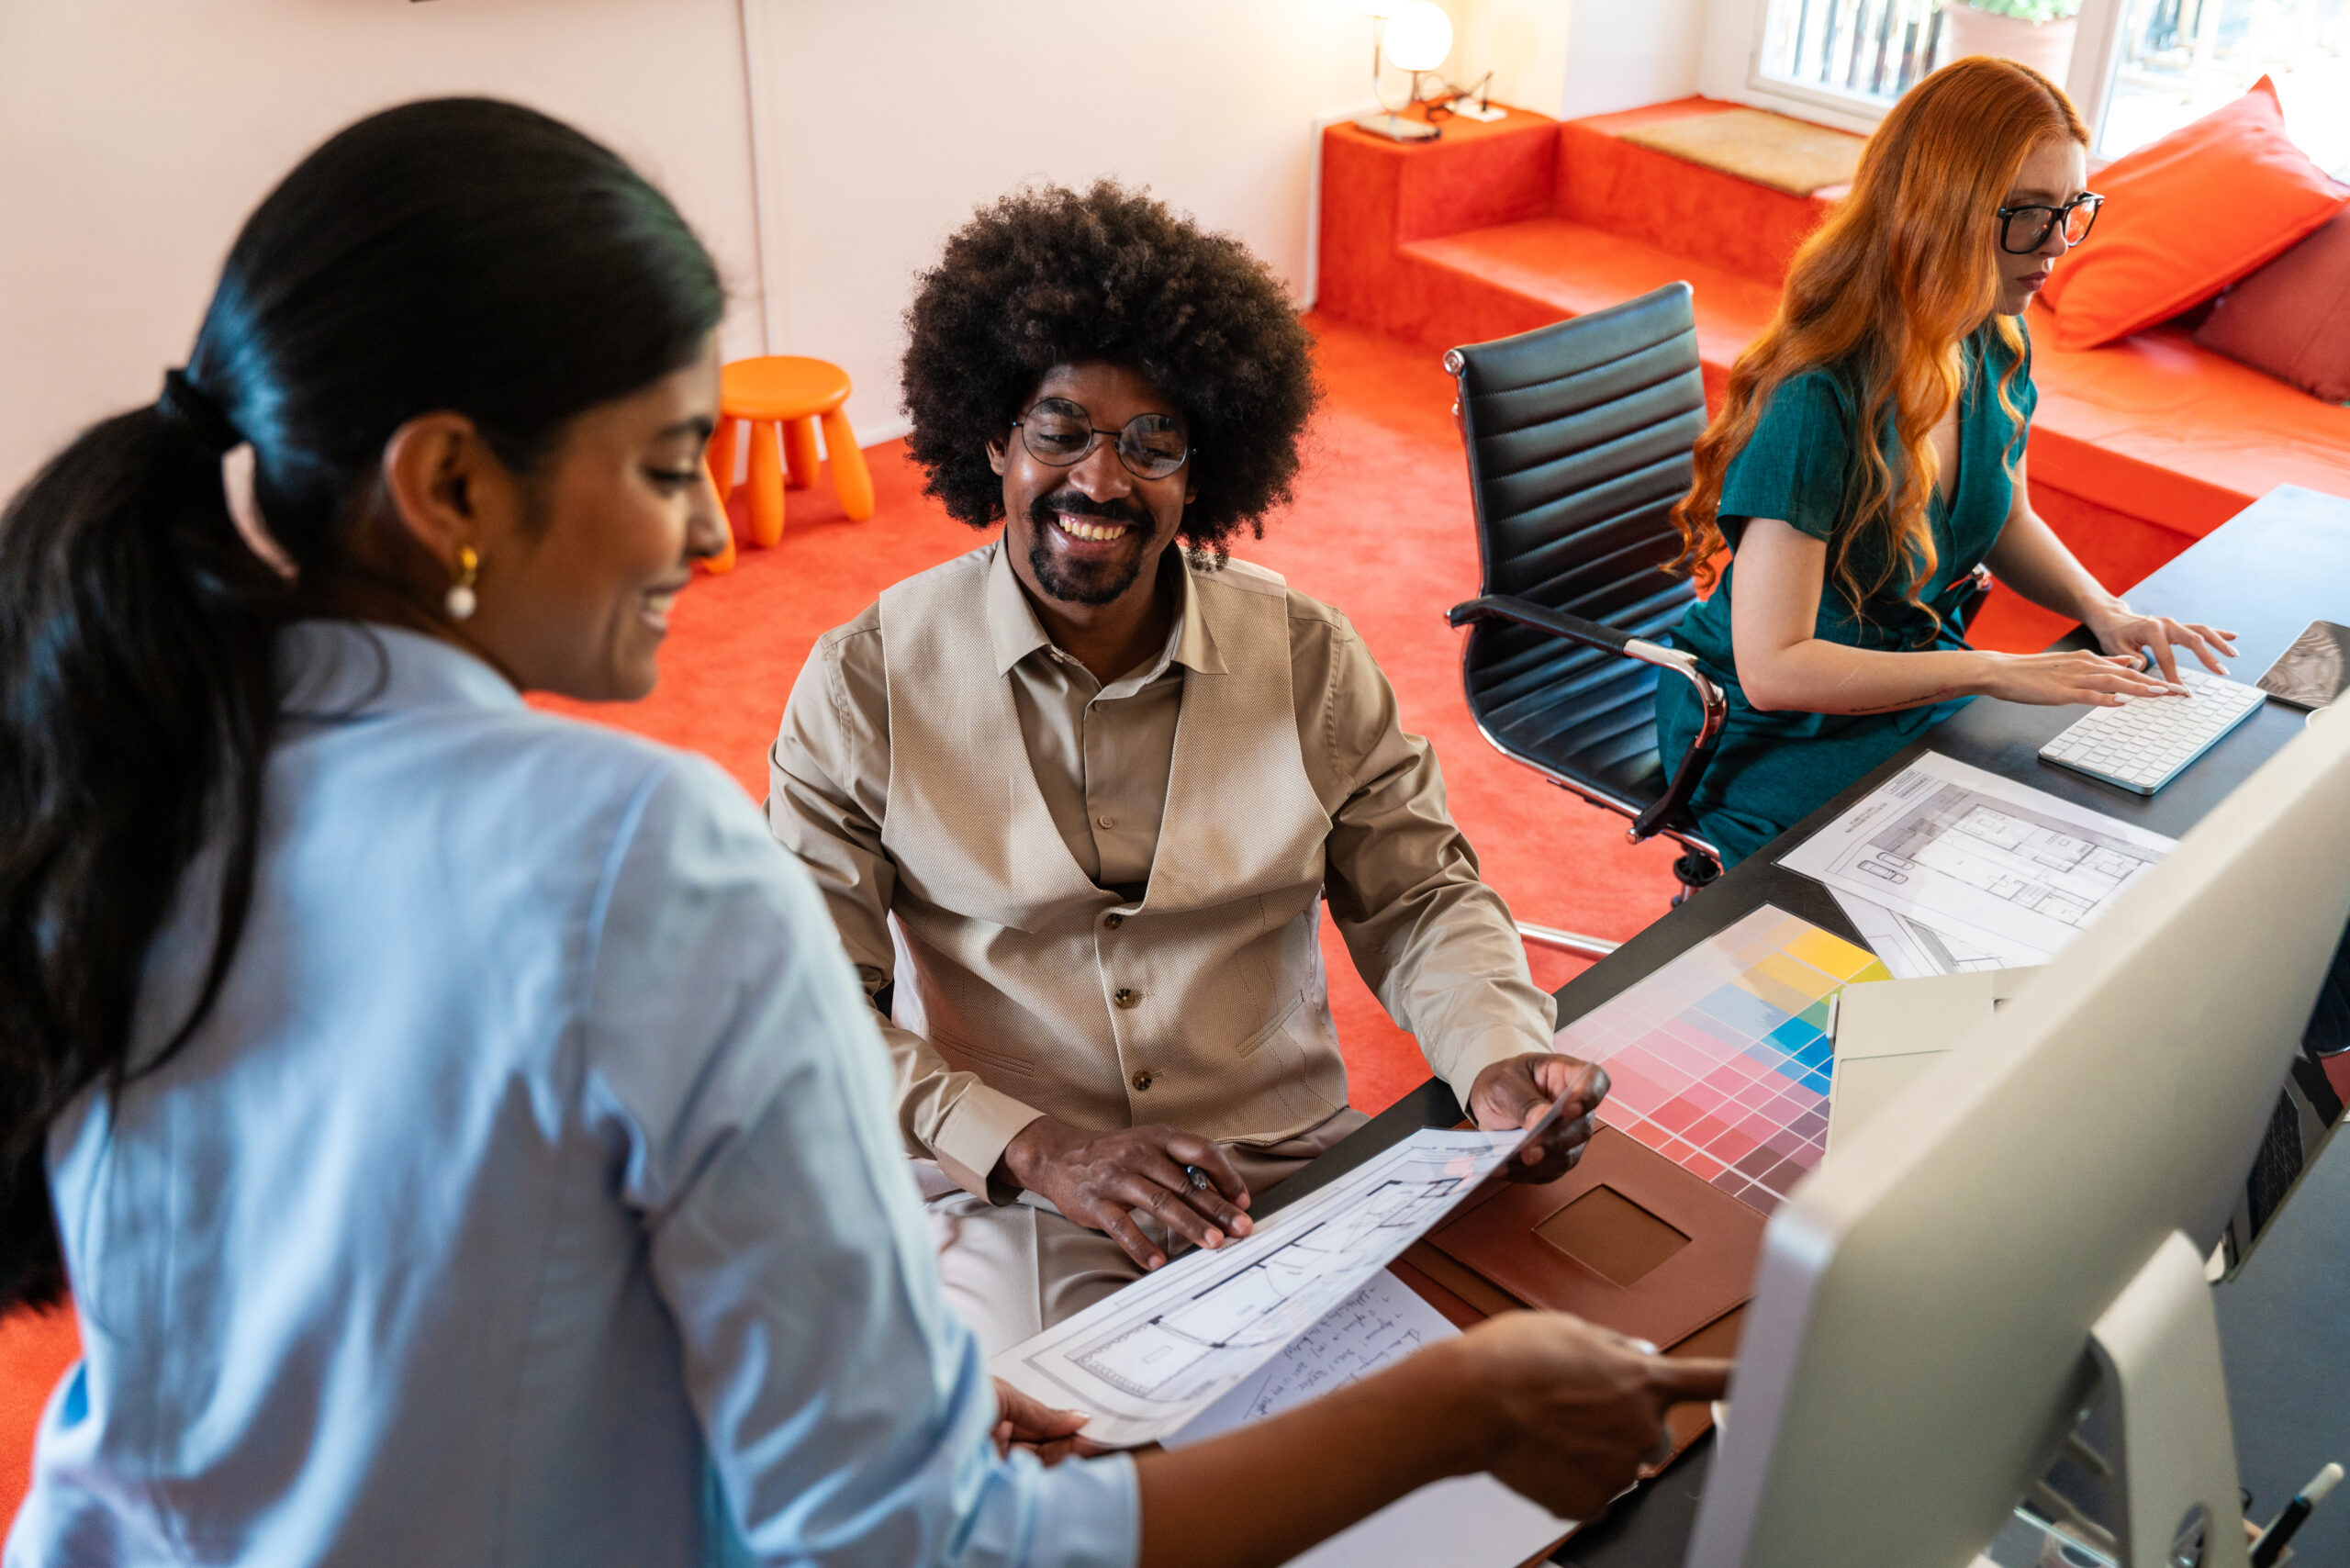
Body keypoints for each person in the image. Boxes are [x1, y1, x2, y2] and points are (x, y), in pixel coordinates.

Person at [0, 100, 1726, 1567]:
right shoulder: (642, 840)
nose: (701, 530)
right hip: (996, 1223)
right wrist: (1449, 1413)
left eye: (1153, 443)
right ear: (453, 486)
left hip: (1281, 1190)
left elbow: (374, 1309)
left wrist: (1493, 1051)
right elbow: (918, 1539)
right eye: (671, 457)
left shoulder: (138, 768)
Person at [771, 182, 1604, 1356]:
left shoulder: (1305, 655)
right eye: (1059, 429)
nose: (1101, 482)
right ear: (993, 442)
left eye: (1150, 441)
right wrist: (1028, 1145)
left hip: (1297, 1158)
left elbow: (1419, 897)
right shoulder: (863, 685)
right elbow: (804, 1006)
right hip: (1022, 1186)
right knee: (1071, 1483)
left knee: (1480, 1395)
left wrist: (1497, 1052)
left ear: (1201, 468)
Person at [1656, 56, 2238, 867]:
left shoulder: (1991, 337)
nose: (2058, 245)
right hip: (1769, 731)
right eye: (2030, 214)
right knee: (2013, 841)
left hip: (1910, 678)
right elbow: (1776, 668)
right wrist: (1991, 672)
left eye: (2072, 209)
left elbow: (2007, 518)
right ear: (1939, 210)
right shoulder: (1818, 400)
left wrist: (2106, 610)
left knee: (2078, 817)